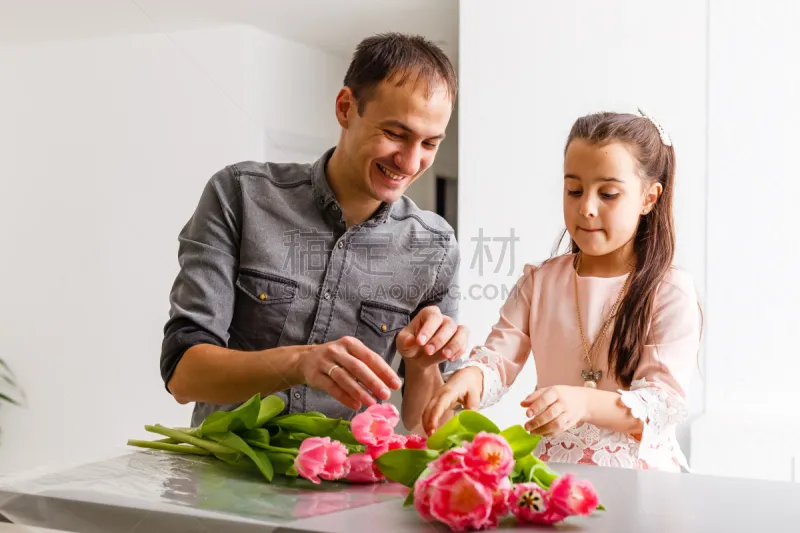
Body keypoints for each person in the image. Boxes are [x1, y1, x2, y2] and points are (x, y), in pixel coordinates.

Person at [159, 33, 468, 435]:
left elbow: (427, 425)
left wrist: (425, 363)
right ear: (345, 108)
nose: (410, 162)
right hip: (226, 478)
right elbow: (183, 374)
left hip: (349, 484)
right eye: (395, 133)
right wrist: (299, 363)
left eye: (429, 143)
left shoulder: (436, 247)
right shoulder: (240, 195)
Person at [423, 108, 702, 471]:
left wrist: (583, 403)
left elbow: (659, 405)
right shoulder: (540, 282)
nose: (586, 208)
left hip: (641, 482)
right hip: (555, 476)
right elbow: (498, 359)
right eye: (574, 190)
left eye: (609, 194)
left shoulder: (669, 291)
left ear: (649, 198)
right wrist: (470, 376)